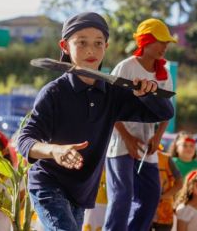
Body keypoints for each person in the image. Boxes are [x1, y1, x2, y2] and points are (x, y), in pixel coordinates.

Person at [17, 12, 174, 231]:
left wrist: (148, 94)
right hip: (48, 185)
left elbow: (163, 113)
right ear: (64, 46)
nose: (91, 50)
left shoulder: (113, 94)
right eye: (81, 42)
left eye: (98, 43)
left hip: (81, 191)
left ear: (106, 46)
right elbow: (24, 140)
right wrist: (54, 150)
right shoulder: (53, 92)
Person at [104, 18, 177, 231]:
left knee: (150, 197)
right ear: (146, 41)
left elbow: (166, 110)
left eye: (167, 42)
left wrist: (158, 136)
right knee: (122, 197)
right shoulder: (125, 67)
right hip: (120, 143)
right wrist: (127, 137)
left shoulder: (165, 74)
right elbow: (110, 107)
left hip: (148, 144)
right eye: (161, 41)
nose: (165, 47)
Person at [151, 148, 183, 231]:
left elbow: (179, 183)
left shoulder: (166, 158)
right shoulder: (136, 156)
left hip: (164, 212)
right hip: (143, 211)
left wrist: (163, 197)